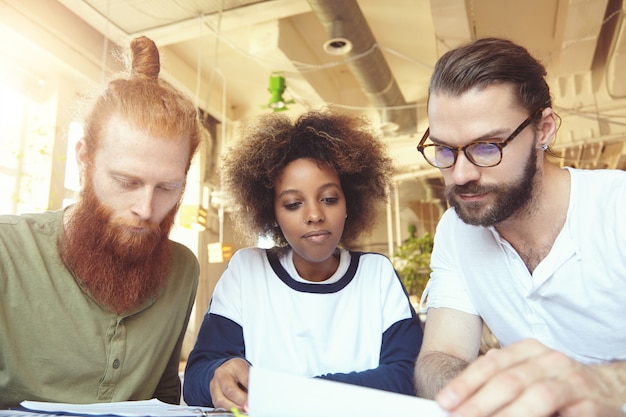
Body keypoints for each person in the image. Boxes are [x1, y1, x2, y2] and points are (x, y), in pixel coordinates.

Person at [413, 37, 626, 416]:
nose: (460, 175)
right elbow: (439, 355)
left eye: (487, 146)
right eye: (445, 149)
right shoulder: (456, 230)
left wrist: (607, 384)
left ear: (543, 130)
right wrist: (482, 397)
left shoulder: (616, 210)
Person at [0, 36, 203, 408]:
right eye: (127, 182)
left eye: (168, 187)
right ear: (84, 160)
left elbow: (164, 396)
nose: (146, 208)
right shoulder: (7, 252)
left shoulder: (183, 270)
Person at [183, 109, 423, 409]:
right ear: (272, 213)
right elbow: (196, 378)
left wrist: (298, 393)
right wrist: (216, 377)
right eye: (293, 204)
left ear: (349, 202)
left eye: (329, 199)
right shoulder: (247, 271)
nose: (314, 215)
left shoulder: (377, 274)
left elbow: (408, 376)